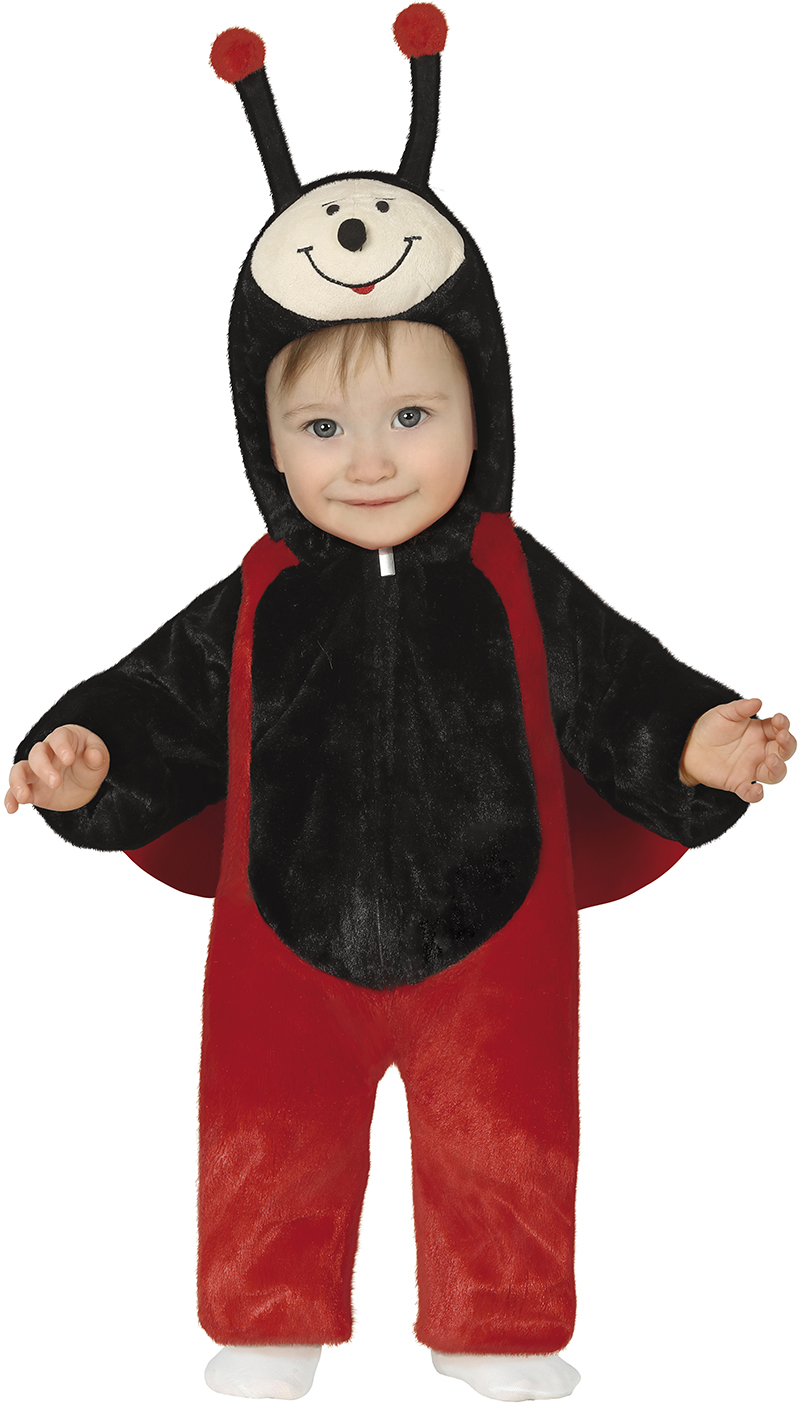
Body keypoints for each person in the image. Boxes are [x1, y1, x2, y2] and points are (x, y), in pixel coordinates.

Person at [4, 10, 796, 1404]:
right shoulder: (258, 592)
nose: (367, 462)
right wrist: (89, 758)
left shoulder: (513, 574)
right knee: (264, 1127)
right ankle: (267, 1314)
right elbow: (158, 700)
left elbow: (617, 681)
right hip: (281, 929)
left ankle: (496, 1325)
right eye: (322, 429)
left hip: (496, 936)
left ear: (483, 410)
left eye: (411, 419)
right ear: (266, 443)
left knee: (508, 1136)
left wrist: (695, 743)